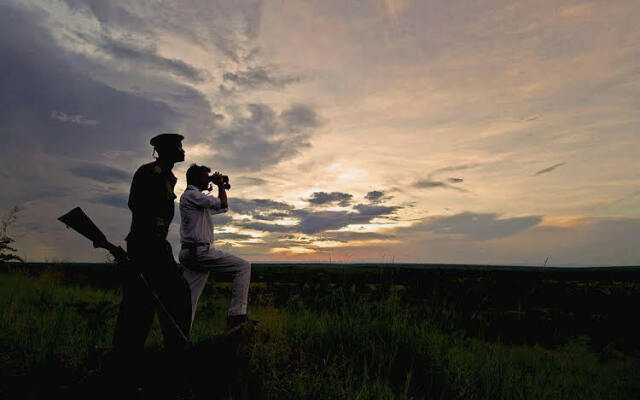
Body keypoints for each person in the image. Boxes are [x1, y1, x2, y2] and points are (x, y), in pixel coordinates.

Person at [112, 133, 193, 390]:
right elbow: (136, 205)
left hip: (159, 246)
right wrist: (142, 253)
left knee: (176, 298)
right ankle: (125, 368)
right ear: (165, 150)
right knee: (140, 307)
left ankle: (172, 359)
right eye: (178, 147)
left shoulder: (168, 177)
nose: (182, 150)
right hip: (144, 245)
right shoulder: (149, 173)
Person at [179, 164, 252, 330]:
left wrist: (218, 184)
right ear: (197, 179)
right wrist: (219, 184)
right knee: (243, 267)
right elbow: (222, 202)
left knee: (189, 300)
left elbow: (223, 206)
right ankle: (237, 315)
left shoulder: (196, 200)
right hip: (199, 252)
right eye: (206, 176)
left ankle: (181, 335)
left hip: (192, 252)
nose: (208, 179)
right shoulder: (192, 195)